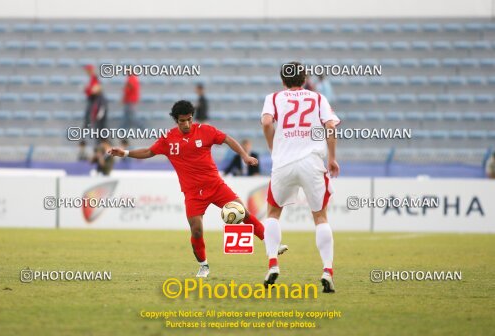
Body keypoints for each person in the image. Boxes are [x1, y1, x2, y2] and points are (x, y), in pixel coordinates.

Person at [108, 100, 287, 278]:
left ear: (192, 117)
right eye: (182, 121)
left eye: (189, 119)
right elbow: (148, 152)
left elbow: (227, 139)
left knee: (244, 213)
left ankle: (272, 246)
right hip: (193, 193)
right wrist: (125, 153)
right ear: (176, 121)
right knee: (196, 230)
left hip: (215, 186)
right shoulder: (168, 139)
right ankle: (203, 266)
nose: (186, 124)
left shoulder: (205, 131)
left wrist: (244, 156)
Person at [260, 61, 340, 292]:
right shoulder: (318, 99)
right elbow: (331, 127)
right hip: (311, 162)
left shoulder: (273, 98)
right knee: (320, 217)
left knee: (273, 213)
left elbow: (266, 122)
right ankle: (327, 270)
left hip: (283, 163)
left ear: (283, 81)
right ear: (304, 79)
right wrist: (332, 158)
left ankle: (273, 263)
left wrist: (272, 147)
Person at [83, 65, 108, 136]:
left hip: (97, 103)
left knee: (100, 124)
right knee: (97, 124)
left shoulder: (95, 78)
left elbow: (94, 90)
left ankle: (104, 142)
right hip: (94, 103)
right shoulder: (92, 79)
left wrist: (88, 89)